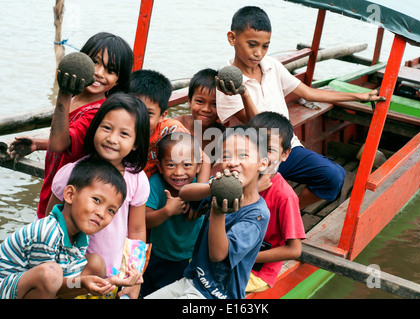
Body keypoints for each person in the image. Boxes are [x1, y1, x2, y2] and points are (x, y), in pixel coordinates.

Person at [215, 6, 385, 209]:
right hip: (252, 157)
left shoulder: (272, 66)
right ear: (232, 38)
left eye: (265, 46)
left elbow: (308, 93)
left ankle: (291, 210)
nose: (258, 53)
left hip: (286, 150)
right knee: (253, 195)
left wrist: (358, 96)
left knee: (334, 175)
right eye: (252, 44)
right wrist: (243, 92)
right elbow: (257, 126)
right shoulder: (226, 85)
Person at [8, 32, 134, 219]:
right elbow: (70, 140)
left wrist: (63, 95)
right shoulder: (76, 98)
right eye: (95, 62)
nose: (99, 73)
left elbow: (60, 144)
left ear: (118, 80)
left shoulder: (98, 112)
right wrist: (39, 143)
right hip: (54, 188)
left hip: (67, 200)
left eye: (111, 70)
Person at [145, 125, 270, 299]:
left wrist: (217, 211)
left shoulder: (257, 215)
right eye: (226, 156)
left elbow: (218, 255)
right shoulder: (216, 187)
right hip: (192, 280)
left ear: (263, 163)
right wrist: (211, 187)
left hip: (217, 294)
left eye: (243, 155)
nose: (233, 162)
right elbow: (185, 193)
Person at [45, 93, 150, 299]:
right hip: (69, 274)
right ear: (95, 128)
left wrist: (134, 279)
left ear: (136, 143)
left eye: (124, 134)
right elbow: (48, 222)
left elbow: (136, 230)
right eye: (107, 128)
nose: (112, 139)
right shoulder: (70, 173)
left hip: (111, 277)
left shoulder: (136, 179)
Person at [0, 156, 143, 299]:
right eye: (97, 200)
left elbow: (65, 284)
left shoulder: (80, 237)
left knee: (95, 264)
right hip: (6, 290)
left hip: (41, 287)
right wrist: (82, 283)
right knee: (52, 273)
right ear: (70, 195)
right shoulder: (47, 233)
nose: (101, 213)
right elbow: (49, 283)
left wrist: (109, 281)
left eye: (111, 210)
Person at [141, 132, 208, 296]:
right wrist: (167, 211)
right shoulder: (156, 184)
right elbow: (145, 220)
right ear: (159, 165)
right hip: (157, 255)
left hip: (189, 258)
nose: (179, 172)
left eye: (187, 165)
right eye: (171, 165)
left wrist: (198, 204)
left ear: (198, 166)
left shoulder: (201, 188)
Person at [246, 111, 305, 292]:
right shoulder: (238, 177)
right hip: (231, 253)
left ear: (285, 154)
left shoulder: (284, 196)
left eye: (269, 149)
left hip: (257, 270)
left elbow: (294, 250)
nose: (260, 155)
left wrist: (248, 257)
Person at [129, 69, 190, 178]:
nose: (140, 117)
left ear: (162, 116)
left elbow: (200, 157)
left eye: (149, 113)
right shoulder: (117, 130)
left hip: (159, 180)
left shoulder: (171, 129)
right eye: (133, 109)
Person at [174, 68, 225, 155]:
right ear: (189, 101)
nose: (206, 109)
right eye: (200, 102)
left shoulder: (222, 134)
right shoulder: (177, 125)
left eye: (214, 104)